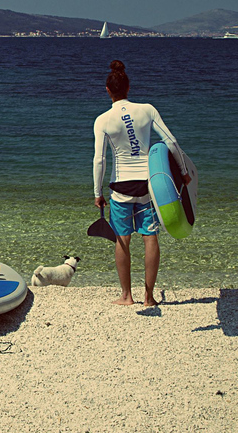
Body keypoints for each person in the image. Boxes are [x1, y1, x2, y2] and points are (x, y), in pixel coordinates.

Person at [92, 60, 191, 306]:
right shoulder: (147, 109)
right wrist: (183, 170)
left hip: (121, 188)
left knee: (122, 239)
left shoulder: (102, 120)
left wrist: (97, 192)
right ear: (128, 87)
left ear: (107, 90)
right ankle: (149, 297)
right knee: (150, 237)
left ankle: (127, 296)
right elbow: (170, 140)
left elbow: (99, 160)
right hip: (148, 187)